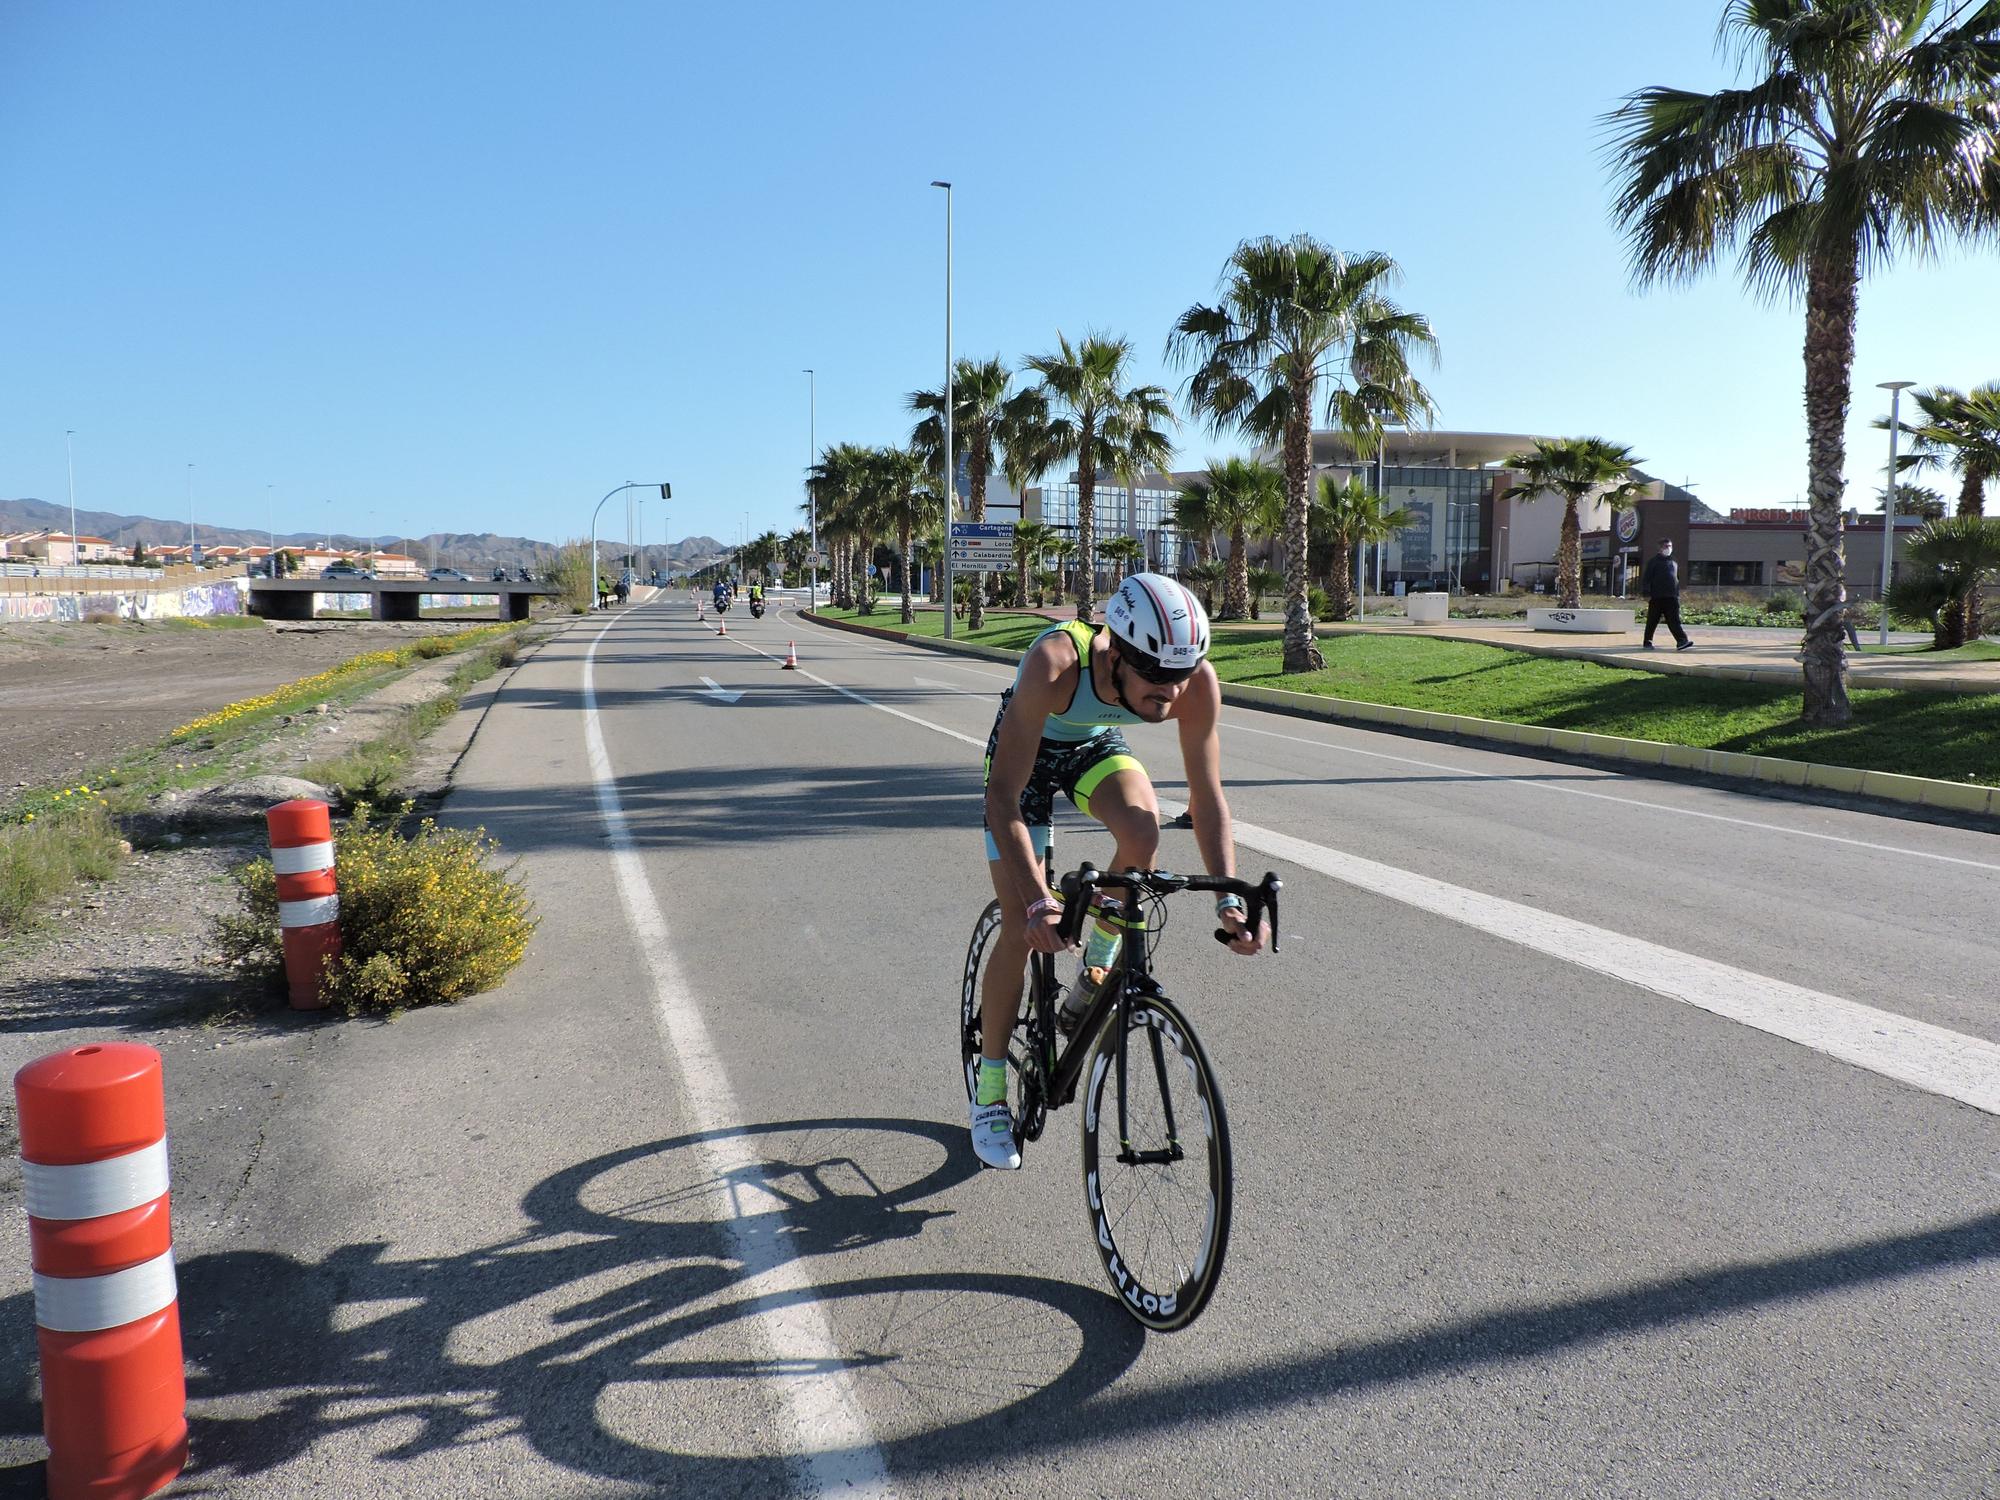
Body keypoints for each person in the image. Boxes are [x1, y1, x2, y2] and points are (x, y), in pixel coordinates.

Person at [972, 573, 1267, 1170]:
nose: (1171, 694)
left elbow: (1206, 798)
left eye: (1181, 676)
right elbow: (1001, 797)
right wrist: (1034, 900)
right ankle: (991, 1089)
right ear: (1117, 656)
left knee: (1143, 831)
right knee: (1018, 930)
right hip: (1022, 762)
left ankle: (1096, 961)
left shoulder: (1191, 682)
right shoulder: (1056, 664)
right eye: (1156, 679)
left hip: (1090, 745)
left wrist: (1229, 901)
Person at [1640, 538, 1693, 651]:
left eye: (1670, 546)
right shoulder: (1653, 562)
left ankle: (1682, 641)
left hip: (1672, 597)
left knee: (1674, 620)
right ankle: (1647, 642)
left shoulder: (1674, 562)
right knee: (1652, 620)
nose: (1668, 548)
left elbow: (1676, 579)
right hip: (1657, 597)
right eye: (1666, 546)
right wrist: (1646, 593)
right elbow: (1647, 579)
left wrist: (1678, 594)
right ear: (1660, 548)